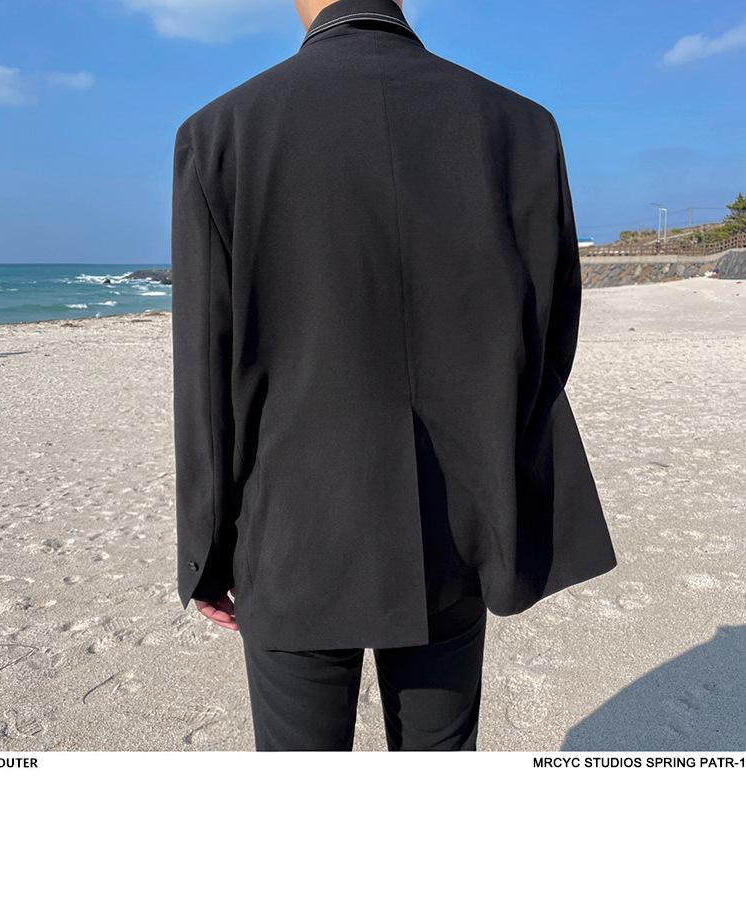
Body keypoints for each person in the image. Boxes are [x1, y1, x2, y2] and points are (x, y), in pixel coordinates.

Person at [171, 0, 615, 753]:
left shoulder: (221, 132)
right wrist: (495, 475)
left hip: (294, 530)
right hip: (459, 514)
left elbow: (205, 373)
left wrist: (204, 554)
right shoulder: (521, 125)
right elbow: (548, 338)